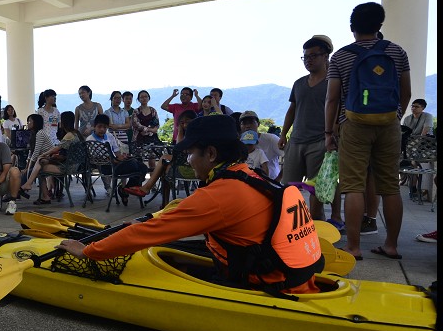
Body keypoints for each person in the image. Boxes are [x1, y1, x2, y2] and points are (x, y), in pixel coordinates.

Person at [57, 114, 322, 296]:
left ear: (211, 154)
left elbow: (147, 234)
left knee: (163, 256)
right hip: (294, 273)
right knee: (176, 248)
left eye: (192, 152)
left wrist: (89, 251)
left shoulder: (218, 195)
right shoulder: (249, 175)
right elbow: (188, 209)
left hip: (272, 283)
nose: (189, 159)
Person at [324, 1, 411, 260]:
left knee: (353, 186)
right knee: (390, 187)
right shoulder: (397, 52)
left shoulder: (341, 56)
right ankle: (391, 245)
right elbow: (405, 91)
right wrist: (395, 115)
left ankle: (353, 247)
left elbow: (332, 99)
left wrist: (329, 132)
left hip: (353, 124)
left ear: (352, 27)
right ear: (379, 25)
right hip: (388, 124)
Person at [279, 35, 334, 221]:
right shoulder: (299, 83)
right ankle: (291, 223)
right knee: (290, 187)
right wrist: (283, 134)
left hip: (320, 141)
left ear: (326, 56)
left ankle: (317, 223)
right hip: (296, 141)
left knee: (316, 188)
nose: (308, 60)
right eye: (305, 57)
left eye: (313, 56)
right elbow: (292, 110)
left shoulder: (333, 82)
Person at [124, 109, 197, 199]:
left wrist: (180, 131)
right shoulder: (188, 134)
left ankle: (147, 189)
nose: (185, 125)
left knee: (164, 161)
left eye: (188, 122)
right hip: (184, 164)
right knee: (165, 167)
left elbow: (179, 148)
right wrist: (181, 130)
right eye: (182, 123)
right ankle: (160, 199)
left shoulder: (196, 135)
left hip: (192, 168)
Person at [21, 110, 83, 203]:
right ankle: (33, 187)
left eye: (61, 120)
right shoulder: (76, 133)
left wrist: (43, 154)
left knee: (39, 168)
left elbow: (56, 148)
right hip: (75, 165)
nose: (59, 122)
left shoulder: (69, 135)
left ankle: (42, 194)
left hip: (68, 167)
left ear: (64, 122)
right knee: (41, 162)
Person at [87, 113, 149, 205]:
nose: (102, 129)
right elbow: (96, 158)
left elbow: (117, 153)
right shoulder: (90, 140)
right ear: (94, 127)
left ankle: (126, 189)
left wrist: (122, 158)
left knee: (143, 167)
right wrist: (116, 160)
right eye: (99, 127)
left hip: (116, 164)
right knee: (135, 165)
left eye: (105, 127)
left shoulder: (110, 136)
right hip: (105, 167)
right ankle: (125, 190)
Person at [238, 110, 283, 180]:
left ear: (258, 124)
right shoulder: (238, 143)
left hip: (271, 183)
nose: (248, 126)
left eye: (251, 122)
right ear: (240, 126)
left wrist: (277, 180)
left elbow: (289, 157)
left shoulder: (271, 139)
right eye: (244, 123)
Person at [23, 113, 55, 204]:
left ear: (35, 123)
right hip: (43, 159)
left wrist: (28, 169)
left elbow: (36, 153)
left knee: (36, 168)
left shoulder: (40, 133)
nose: (28, 123)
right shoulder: (34, 134)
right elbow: (31, 153)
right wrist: (27, 167)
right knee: (36, 170)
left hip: (50, 158)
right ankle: (45, 197)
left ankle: (26, 186)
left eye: (30, 121)